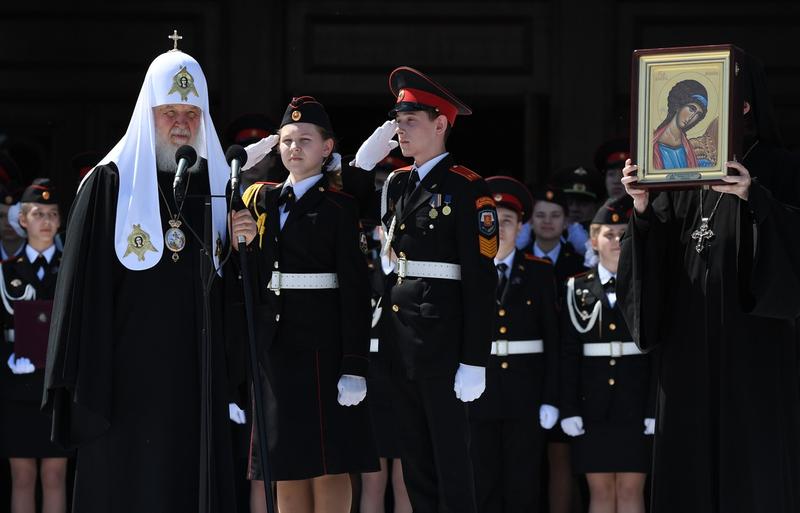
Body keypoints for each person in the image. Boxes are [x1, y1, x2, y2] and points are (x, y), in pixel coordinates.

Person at [42, 42, 241, 512]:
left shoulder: (216, 188)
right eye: (169, 111)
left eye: (192, 113)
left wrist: (240, 250)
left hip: (195, 380)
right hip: (125, 383)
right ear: (147, 113)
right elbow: (81, 295)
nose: (181, 124)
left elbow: (227, 293)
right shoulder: (108, 184)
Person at [618, 53, 800, 513]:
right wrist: (640, 206)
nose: (702, 114)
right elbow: (655, 247)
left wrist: (753, 196)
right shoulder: (677, 164)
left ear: (743, 106)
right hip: (687, 335)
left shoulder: (782, 166)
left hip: (752, 340)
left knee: (751, 462)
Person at [351, 66, 497, 513]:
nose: (400, 129)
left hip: (443, 342)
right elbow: (347, 212)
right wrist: (360, 166)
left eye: (410, 120)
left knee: (451, 459)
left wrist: (474, 358)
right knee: (414, 460)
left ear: (440, 124)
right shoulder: (396, 182)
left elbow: (480, 279)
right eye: (397, 120)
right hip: (400, 341)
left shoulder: (467, 188)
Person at [239, 95, 378, 513]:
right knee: (285, 463)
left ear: (327, 148)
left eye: (305, 139)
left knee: (328, 462)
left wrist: (354, 363)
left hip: (323, 348)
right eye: (285, 140)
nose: (294, 148)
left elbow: (355, 291)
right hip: (275, 347)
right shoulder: (259, 199)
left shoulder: (340, 206)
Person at [467, 176, 560, 512]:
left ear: (522, 226)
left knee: (523, 485)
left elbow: (554, 342)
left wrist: (550, 398)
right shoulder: (467, 271)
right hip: (477, 396)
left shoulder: (539, 271)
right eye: (491, 220)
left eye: (507, 220)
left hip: (526, 397)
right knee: (482, 483)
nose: (499, 228)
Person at [560, 196, 656, 513]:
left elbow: (656, 354)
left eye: (624, 234)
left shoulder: (646, 285)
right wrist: (569, 407)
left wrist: (654, 408)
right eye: (609, 234)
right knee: (600, 492)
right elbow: (569, 354)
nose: (617, 241)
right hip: (593, 406)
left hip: (635, 403)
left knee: (630, 491)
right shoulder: (577, 288)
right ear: (593, 240)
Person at [1, 180, 72, 513]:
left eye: (52, 214)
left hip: (55, 386)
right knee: (23, 476)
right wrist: (8, 358)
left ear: (60, 221)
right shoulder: (6, 271)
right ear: (23, 220)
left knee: (56, 474)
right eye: (38, 214)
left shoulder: (71, 270)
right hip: (17, 385)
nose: (46, 221)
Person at [651, 79, 714, 170]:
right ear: (679, 105)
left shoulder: (688, 147)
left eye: (698, 114)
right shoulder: (652, 146)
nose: (692, 117)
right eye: (691, 109)